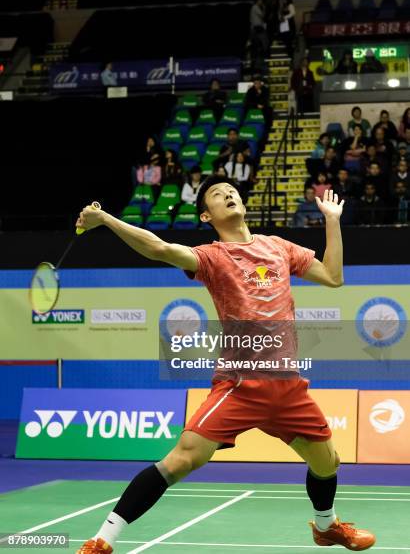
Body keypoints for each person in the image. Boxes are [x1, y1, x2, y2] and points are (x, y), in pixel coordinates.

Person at [76, 179, 375, 554]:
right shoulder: (211, 257)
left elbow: (334, 277)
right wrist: (106, 219)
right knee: (182, 459)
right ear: (206, 215)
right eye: (217, 195)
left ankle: (327, 527)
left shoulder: (278, 247)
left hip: (288, 387)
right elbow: (159, 248)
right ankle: (103, 540)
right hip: (240, 385)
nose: (228, 194)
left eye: (231, 191)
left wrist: (332, 220)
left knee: (328, 462)